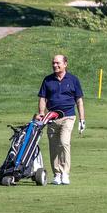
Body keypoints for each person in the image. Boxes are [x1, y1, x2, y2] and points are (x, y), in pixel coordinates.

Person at [37, 54, 85, 185]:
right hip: (51, 118)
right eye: (53, 63)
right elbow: (42, 98)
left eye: (58, 63)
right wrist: (41, 113)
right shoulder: (47, 80)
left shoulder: (73, 80)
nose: (55, 65)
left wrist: (82, 120)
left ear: (65, 64)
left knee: (64, 143)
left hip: (68, 116)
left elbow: (79, 101)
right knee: (53, 146)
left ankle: (65, 173)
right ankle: (57, 174)